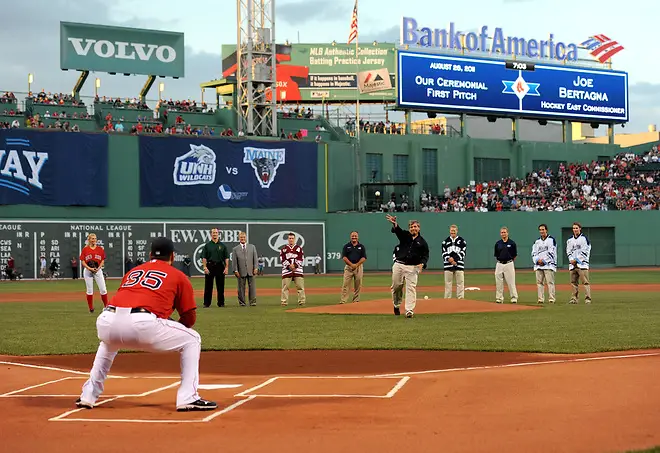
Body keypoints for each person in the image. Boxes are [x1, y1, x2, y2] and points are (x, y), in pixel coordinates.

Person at [75, 237, 217, 413]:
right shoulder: (178, 276)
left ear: (150, 255)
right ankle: (188, 397)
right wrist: (167, 325)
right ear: (172, 256)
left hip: (106, 318)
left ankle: (88, 395)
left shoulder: (133, 271)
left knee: (108, 343)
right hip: (142, 323)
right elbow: (189, 318)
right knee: (193, 339)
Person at [386, 215, 429, 318]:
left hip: (412, 267)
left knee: (411, 288)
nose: (413, 228)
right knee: (396, 286)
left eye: (415, 226)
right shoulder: (405, 235)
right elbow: (398, 231)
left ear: (419, 228)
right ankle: (396, 304)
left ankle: (409, 310)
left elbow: (425, 255)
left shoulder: (422, 242)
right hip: (399, 264)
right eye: (411, 227)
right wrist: (395, 224)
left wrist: (422, 264)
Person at [200, 228, 230, 308]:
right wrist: (205, 267)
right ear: (211, 234)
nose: (215, 234)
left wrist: (226, 268)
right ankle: (206, 303)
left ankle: (221, 303)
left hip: (220, 266)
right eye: (213, 233)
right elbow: (204, 257)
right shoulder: (207, 245)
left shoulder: (223, 246)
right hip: (210, 266)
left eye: (216, 233)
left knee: (220, 286)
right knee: (208, 286)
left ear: (218, 234)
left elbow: (226, 258)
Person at [80, 233, 109, 313]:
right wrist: (89, 268)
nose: (94, 240)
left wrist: (98, 268)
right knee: (90, 290)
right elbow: (83, 261)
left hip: (98, 270)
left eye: (95, 238)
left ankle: (106, 307)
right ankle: (91, 308)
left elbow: (102, 260)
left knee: (103, 289)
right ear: (89, 240)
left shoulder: (100, 249)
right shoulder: (85, 249)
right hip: (88, 271)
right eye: (92, 238)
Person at [566, 222, 592, 304]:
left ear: (580, 229)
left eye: (576, 228)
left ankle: (588, 298)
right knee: (573, 282)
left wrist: (576, 260)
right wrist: (571, 260)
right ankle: (574, 298)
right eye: (573, 228)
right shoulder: (570, 240)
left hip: (582, 264)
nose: (575, 229)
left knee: (585, 282)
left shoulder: (584, 239)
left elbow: (585, 251)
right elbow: (568, 251)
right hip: (572, 265)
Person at [532, 224, 557, 304]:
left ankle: (551, 298)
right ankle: (540, 299)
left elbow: (551, 252)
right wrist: (537, 260)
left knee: (550, 282)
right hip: (538, 265)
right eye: (540, 230)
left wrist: (544, 261)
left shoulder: (551, 240)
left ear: (546, 230)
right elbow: (533, 253)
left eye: (543, 229)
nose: (541, 231)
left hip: (549, 265)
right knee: (539, 283)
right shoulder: (537, 241)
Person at [339, 231, 367, 304]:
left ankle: (356, 300)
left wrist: (356, 265)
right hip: (348, 267)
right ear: (350, 237)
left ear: (358, 237)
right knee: (345, 284)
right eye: (352, 236)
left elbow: (364, 257)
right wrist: (351, 265)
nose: (354, 237)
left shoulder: (361, 246)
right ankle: (343, 300)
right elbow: (344, 257)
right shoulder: (346, 246)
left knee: (358, 284)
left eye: (355, 236)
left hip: (358, 267)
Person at [232, 232, 259, 306]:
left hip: (251, 270)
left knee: (252, 287)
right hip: (241, 271)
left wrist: (256, 268)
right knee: (241, 288)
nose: (242, 238)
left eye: (244, 237)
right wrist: (235, 270)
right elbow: (234, 261)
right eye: (241, 237)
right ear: (239, 238)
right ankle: (242, 302)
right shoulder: (235, 249)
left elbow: (255, 258)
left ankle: (253, 302)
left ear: (246, 238)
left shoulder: (252, 247)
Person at [280, 232, 306, 306]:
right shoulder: (283, 249)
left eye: (292, 238)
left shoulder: (299, 248)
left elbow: (301, 259)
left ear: (294, 239)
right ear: (287, 239)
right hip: (287, 271)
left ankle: (302, 301)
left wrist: (294, 265)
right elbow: (282, 259)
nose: (291, 240)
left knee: (300, 287)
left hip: (298, 271)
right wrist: (289, 266)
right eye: (289, 238)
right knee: (285, 287)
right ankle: (284, 302)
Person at [494, 226, 518, 304]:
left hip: (509, 263)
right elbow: (496, 255)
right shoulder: (498, 243)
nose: (503, 234)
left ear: (507, 233)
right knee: (499, 282)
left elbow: (514, 255)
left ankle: (514, 297)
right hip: (499, 264)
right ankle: (499, 298)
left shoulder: (512, 243)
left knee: (511, 282)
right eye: (502, 232)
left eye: (504, 232)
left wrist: (509, 260)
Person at [441, 225, 467, 299]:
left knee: (460, 283)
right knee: (448, 284)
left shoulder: (462, 241)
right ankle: (447, 299)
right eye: (451, 230)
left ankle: (460, 299)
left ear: (457, 231)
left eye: (454, 231)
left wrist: (455, 260)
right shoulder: (445, 242)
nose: (453, 232)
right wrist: (450, 259)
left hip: (459, 265)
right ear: (449, 231)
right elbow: (443, 253)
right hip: (447, 266)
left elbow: (463, 252)